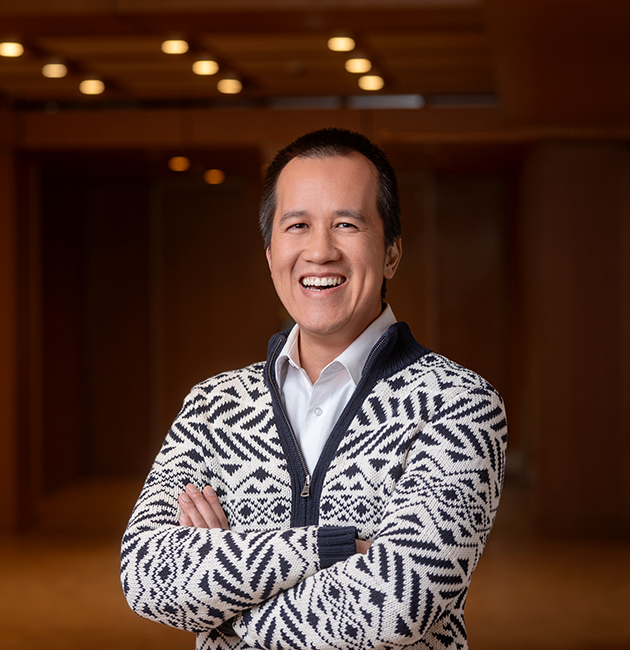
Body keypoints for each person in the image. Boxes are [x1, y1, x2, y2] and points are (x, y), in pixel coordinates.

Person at [121, 128, 507, 650]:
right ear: (270, 252)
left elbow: (395, 605)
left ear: (392, 253)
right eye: (297, 225)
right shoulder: (213, 405)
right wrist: (331, 547)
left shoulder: (459, 404)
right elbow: (147, 576)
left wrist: (224, 583)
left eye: (347, 224)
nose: (320, 251)